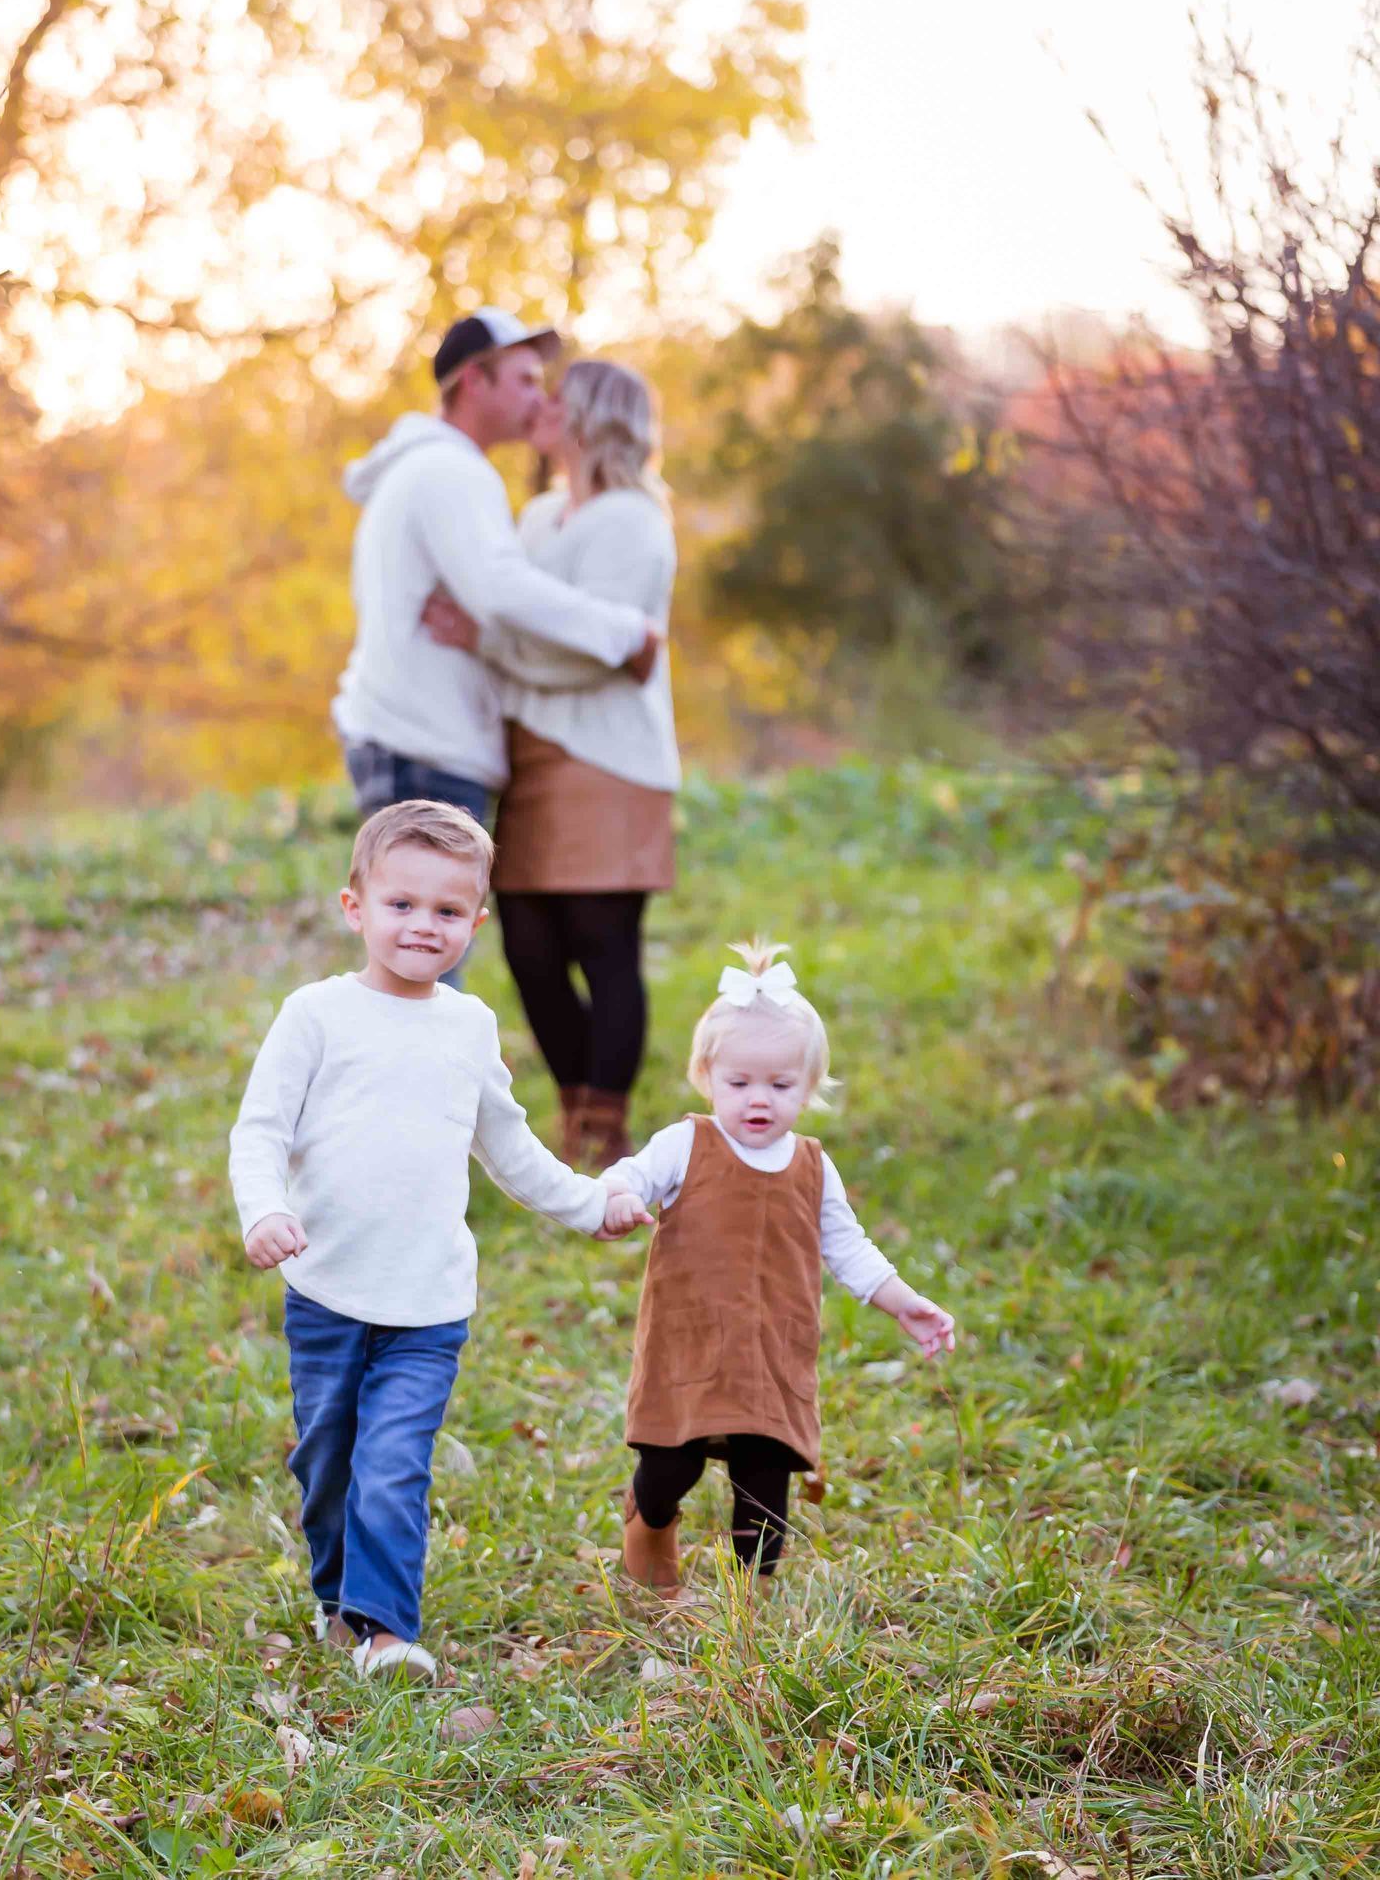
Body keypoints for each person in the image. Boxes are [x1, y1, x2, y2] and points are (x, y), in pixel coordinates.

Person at [228, 799, 650, 1678]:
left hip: (427, 1303)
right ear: (356, 908)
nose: (424, 925)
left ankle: (386, 1632)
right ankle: (338, 1596)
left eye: (448, 911)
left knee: (392, 1466)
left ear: (477, 924)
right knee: (330, 1466)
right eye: (402, 905)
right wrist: (263, 1209)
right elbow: (260, 1131)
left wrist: (590, 1203)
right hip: (329, 1291)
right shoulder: (316, 1017)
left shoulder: (467, 1027)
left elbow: (509, 1147)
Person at [601, 939, 955, 1600]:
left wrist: (904, 1300)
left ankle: (751, 1600)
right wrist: (619, 1197)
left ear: (809, 1088)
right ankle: (648, 1521)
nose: (758, 1099)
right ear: (708, 1078)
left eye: (780, 1085)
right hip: (691, 1338)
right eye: (739, 1083)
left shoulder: (813, 1166)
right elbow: (632, 1175)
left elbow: (849, 1248)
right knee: (669, 1462)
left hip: (773, 1349)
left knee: (766, 1477)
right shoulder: (689, 1143)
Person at [421, 358, 679, 1169]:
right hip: (530, 756)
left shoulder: (635, 522)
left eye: (556, 398)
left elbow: (598, 656)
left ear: (594, 416)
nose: (540, 407)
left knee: (604, 946)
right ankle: (576, 1110)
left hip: (609, 756)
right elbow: (545, 635)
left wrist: (492, 645)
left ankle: (601, 1133)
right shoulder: (536, 518)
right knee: (529, 948)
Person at [331, 310, 662, 845]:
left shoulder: (424, 468)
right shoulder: (452, 470)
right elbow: (500, 587)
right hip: (424, 747)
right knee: (428, 928)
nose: (541, 398)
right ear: (473, 381)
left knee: (412, 925)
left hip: (408, 741)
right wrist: (626, 632)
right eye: (525, 380)